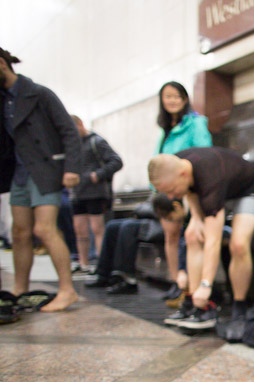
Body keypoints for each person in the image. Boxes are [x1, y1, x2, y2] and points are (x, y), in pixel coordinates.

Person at [0, 46, 80, 311]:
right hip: (19, 173)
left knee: (44, 229)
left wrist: (71, 169)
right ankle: (20, 289)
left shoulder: (39, 94)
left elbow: (69, 131)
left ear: (2, 63)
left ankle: (67, 290)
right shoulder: (2, 100)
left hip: (46, 170)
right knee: (19, 232)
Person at [148, 146, 254, 330]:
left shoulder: (211, 177)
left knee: (238, 244)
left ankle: (239, 306)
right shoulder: (178, 163)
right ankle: (196, 306)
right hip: (215, 189)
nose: (171, 197)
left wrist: (206, 284)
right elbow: (191, 189)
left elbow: (213, 240)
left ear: (182, 174)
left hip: (246, 191)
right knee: (192, 235)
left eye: (171, 190)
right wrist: (195, 216)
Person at [155, 81, 213, 305]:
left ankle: (191, 285)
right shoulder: (165, 128)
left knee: (190, 235)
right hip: (167, 187)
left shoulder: (195, 123)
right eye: (167, 96)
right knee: (171, 235)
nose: (172, 101)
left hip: (188, 186)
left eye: (176, 96)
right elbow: (158, 159)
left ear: (185, 99)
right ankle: (177, 282)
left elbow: (205, 154)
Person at [86, 194, 182, 294]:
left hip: (161, 222)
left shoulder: (171, 193)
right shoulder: (160, 192)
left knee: (128, 227)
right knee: (112, 226)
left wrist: (146, 210)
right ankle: (103, 274)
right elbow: (142, 208)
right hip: (153, 219)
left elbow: (151, 209)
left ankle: (126, 278)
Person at [70, 115, 123, 273]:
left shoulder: (96, 141)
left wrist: (98, 175)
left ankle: (102, 264)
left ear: (80, 124)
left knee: (97, 229)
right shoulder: (71, 144)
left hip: (96, 192)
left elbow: (116, 161)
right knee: (80, 230)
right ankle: (84, 263)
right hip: (77, 192)